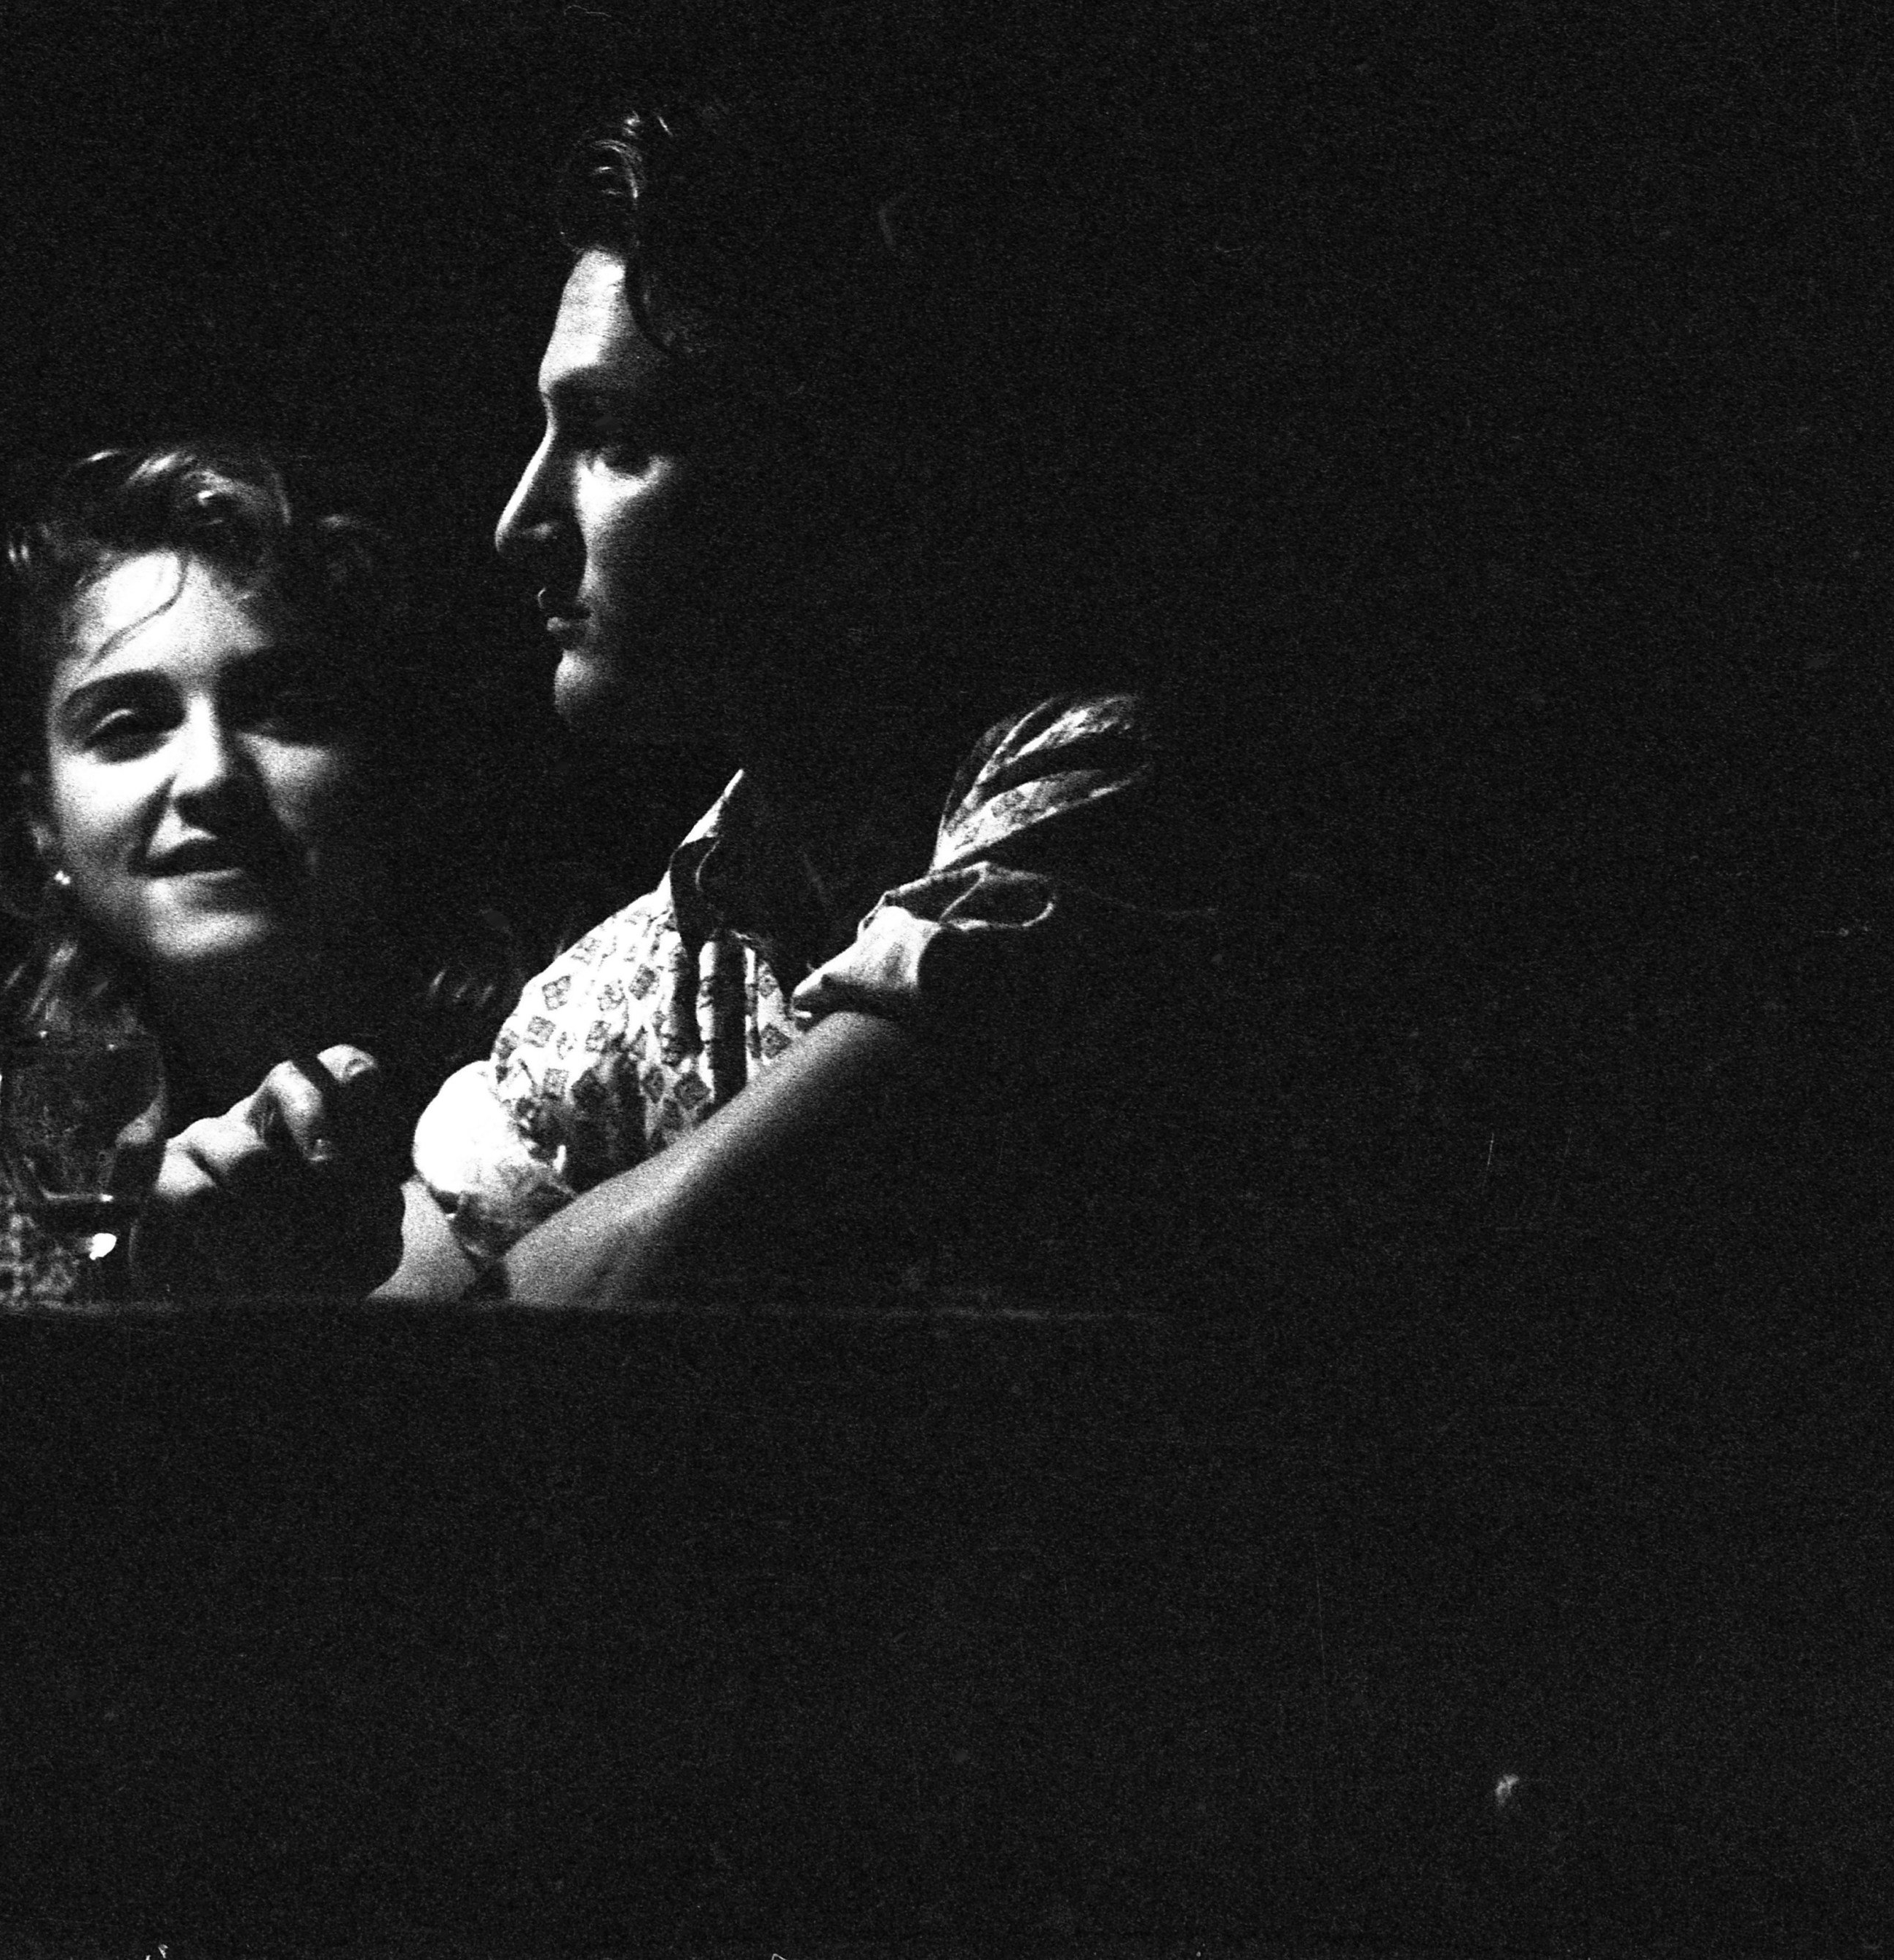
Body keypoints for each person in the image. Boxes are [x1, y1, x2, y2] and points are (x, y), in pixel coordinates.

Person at [200, 82, 1461, 1307]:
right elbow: (399, 1336)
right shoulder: (641, 968)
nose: (518, 524)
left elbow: (660, 1264)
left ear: (835, 474)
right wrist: (227, 1276)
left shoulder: (1119, 799)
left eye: (612, 442)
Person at [0, 443, 514, 1311]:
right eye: (129, 726)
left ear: (390, 766)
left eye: (283, 709)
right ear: (44, 824)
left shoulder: (576, 1108)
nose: (211, 777)